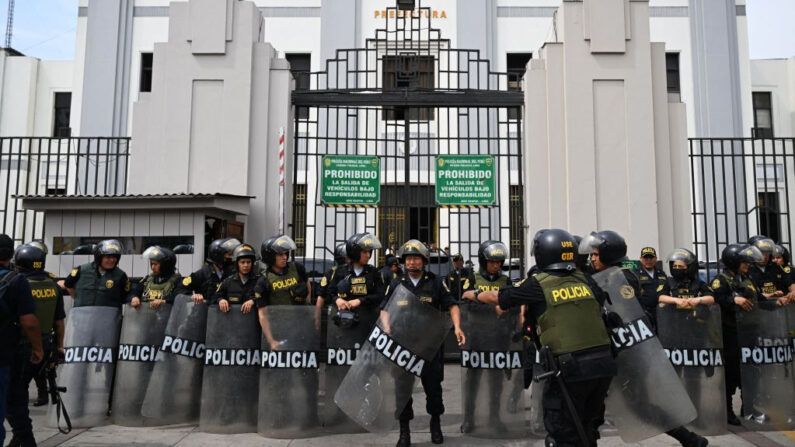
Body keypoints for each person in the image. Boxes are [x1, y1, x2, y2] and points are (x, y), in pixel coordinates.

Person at [463, 229, 615, 446]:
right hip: (603, 366)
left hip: (569, 368)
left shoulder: (539, 283)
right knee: (587, 427)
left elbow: (499, 297)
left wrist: (474, 294)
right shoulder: (585, 279)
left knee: (561, 432)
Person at [585, 231, 708, 447]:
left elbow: (624, 314)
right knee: (593, 409)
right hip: (607, 352)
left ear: (608, 254)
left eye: (596, 254)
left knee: (640, 406)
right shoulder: (603, 276)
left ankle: (689, 439)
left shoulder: (621, 278)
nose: (592, 258)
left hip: (625, 354)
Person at [381, 239, 465, 447]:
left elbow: (452, 306)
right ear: (403, 262)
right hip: (403, 347)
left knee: (434, 390)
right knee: (403, 391)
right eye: (408, 259)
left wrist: (458, 327)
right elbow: (384, 309)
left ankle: (435, 426)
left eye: (416, 259)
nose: (411, 263)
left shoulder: (435, 282)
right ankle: (404, 432)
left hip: (429, 348)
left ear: (424, 261)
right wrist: (386, 326)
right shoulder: (396, 283)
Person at [460, 240, 513, 434]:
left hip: (497, 337)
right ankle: (469, 419)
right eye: (493, 262)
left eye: (499, 262)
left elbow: (512, 304)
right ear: (484, 261)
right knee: (473, 381)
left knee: (496, 382)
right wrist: (493, 309)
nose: (497, 265)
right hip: (476, 336)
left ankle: (494, 418)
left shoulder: (506, 281)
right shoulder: (472, 280)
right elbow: (465, 303)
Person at [0, 235, 43, 447]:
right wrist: (38, 348)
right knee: (14, 401)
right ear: (11, 255)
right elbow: (29, 322)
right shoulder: (16, 281)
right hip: (5, 355)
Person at [711, 244, 761, 425]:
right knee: (731, 372)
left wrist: (778, 300)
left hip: (749, 332)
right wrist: (734, 299)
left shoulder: (747, 278)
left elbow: (759, 299)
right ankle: (727, 410)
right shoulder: (721, 280)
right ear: (733, 261)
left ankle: (749, 406)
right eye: (744, 261)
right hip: (730, 333)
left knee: (750, 371)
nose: (748, 264)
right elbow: (715, 300)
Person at [61, 239, 131, 308]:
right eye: (108, 257)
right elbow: (68, 284)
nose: (112, 260)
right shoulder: (81, 270)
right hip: (82, 317)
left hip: (109, 318)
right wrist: (78, 299)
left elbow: (127, 295)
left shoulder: (121, 276)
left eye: (114, 257)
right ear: (99, 257)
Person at [176, 238, 240, 305]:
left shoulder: (233, 273)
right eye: (229, 255)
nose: (231, 257)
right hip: (204, 313)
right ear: (218, 255)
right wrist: (193, 296)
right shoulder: (201, 274)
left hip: (226, 313)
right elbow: (179, 289)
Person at [214, 244, 260, 314]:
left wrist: (253, 301)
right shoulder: (228, 281)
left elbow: (266, 297)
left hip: (252, 321)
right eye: (242, 262)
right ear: (237, 264)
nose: (246, 265)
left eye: (248, 262)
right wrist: (220, 300)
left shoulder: (259, 280)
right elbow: (215, 296)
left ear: (252, 264)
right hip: (233, 321)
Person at [747, 237, 793, 305]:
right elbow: (751, 295)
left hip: (779, 309)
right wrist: (771, 294)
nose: (765, 257)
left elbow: (789, 282)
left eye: (767, 253)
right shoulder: (747, 269)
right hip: (758, 309)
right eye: (761, 253)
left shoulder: (776, 267)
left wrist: (793, 292)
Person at [632, 247, 668, 327]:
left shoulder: (661, 273)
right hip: (644, 312)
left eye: (651, 257)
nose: (649, 260)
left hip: (661, 311)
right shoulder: (635, 274)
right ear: (641, 259)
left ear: (656, 259)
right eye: (645, 257)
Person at [315, 243, 349, 308]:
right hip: (335, 308)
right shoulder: (331, 273)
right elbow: (321, 296)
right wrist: (317, 317)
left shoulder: (355, 271)